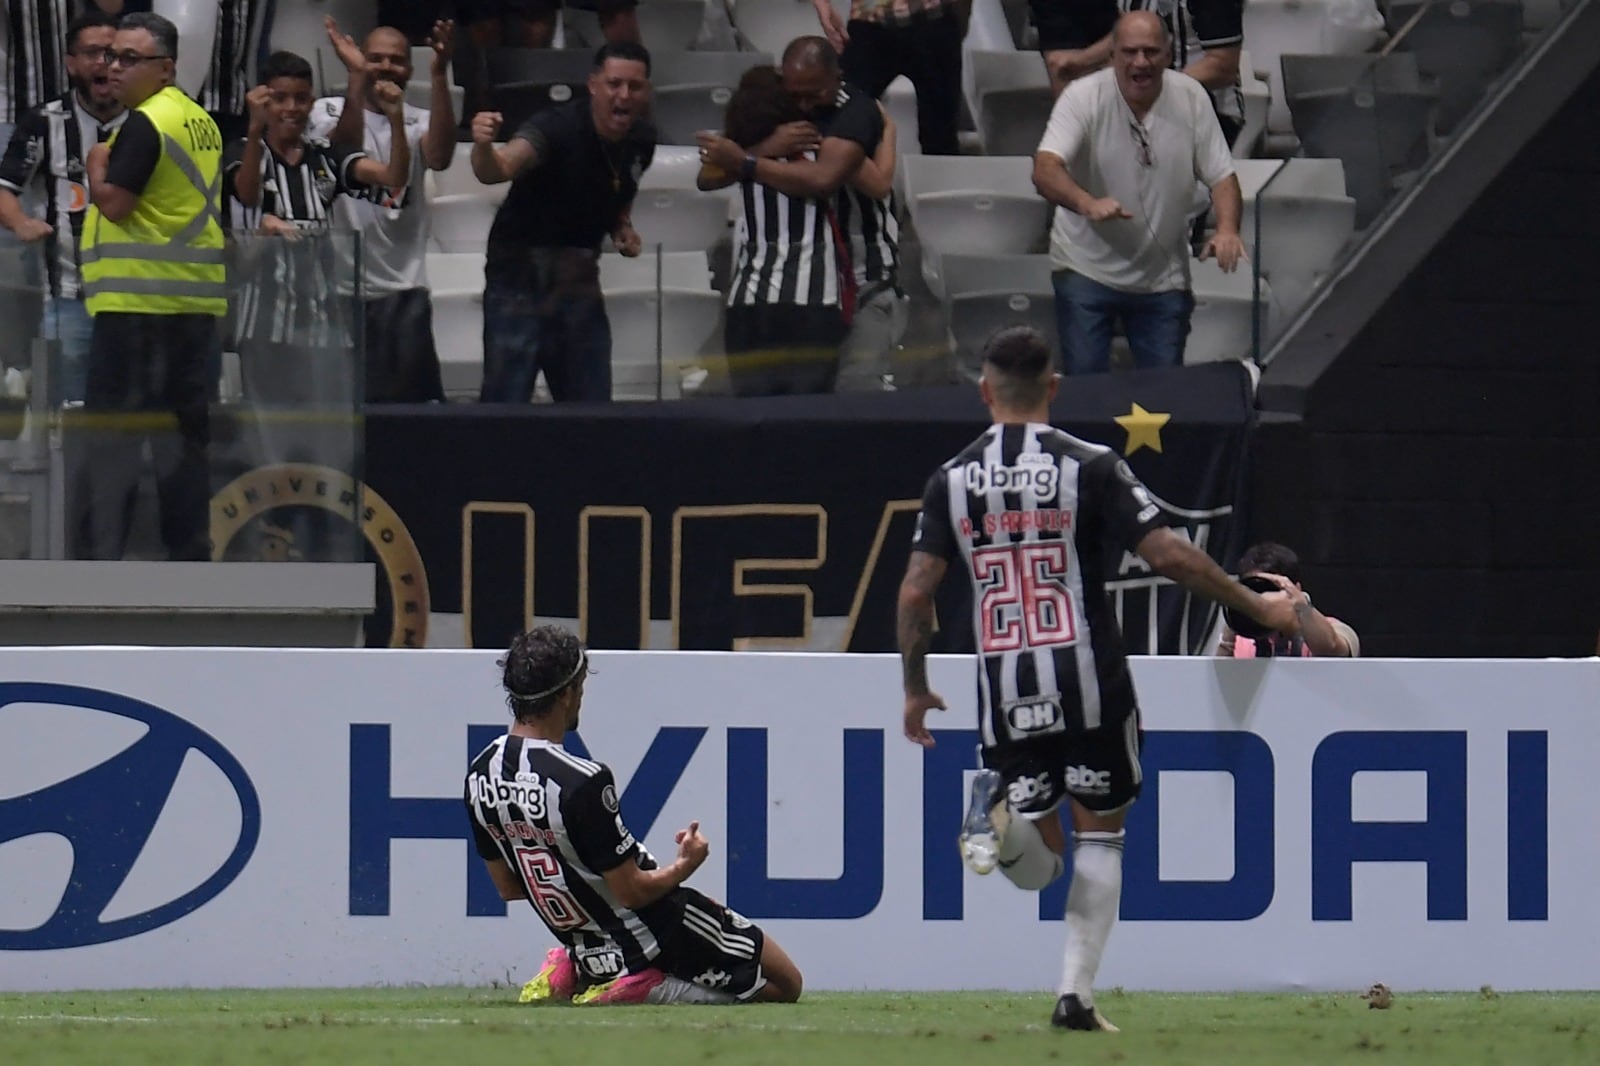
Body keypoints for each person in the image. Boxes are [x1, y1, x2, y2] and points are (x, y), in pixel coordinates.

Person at [895, 326, 1297, 1031]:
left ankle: (1005, 820)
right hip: (1089, 676)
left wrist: (915, 686)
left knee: (1039, 864)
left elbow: (915, 593)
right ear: (1054, 388)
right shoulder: (1090, 465)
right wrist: (1255, 603)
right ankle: (1075, 993)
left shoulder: (950, 481)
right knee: (1100, 839)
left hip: (1005, 688)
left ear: (985, 391)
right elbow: (1172, 555)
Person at [464, 624, 805, 1006]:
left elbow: (509, 888)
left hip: (590, 945)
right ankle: (647, 986)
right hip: (656, 929)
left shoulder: (480, 772)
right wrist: (685, 865)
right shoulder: (581, 780)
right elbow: (632, 892)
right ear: (566, 694)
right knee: (785, 983)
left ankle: (571, 966)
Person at [79, 11, 226, 561]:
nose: (113, 68)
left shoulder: (145, 124)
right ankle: (188, 561)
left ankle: (98, 566)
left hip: (136, 306)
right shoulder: (199, 119)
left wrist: (97, 166)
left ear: (165, 68)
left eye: (129, 59)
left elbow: (115, 205)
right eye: (111, 56)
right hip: (191, 306)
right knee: (185, 448)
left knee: (112, 444)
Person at [1032, 11, 1242, 376]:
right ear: (1111, 54)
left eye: (1151, 52)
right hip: (1085, 269)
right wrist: (1087, 203)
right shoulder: (1082, 97)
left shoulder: (1191, 97)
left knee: (1163, 398)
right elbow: (1045, 169)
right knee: (1086, 396)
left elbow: (1222, 177)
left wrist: (1227, 229)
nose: (1140, 62)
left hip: (1163, 278)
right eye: (1129, 52)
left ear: (1168, 53)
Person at [468, 40, 655, 404]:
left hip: (578, 274)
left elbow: (619, 191)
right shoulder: (555, 127)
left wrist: (621, 226)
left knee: (590, 405)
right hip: (520, 272)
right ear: (593, 85)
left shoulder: (642, 140)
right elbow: (498, 169)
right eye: (615, 84)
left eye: (635, 86)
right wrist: (482, 146)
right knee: (506, 402)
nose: (624, 95)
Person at [696, 38, 884, 397]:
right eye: (794, 94)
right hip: (769, 298)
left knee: (779, 417)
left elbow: (830, 182)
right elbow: (707, 177)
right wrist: (760, 151)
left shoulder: (828, 132)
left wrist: (748, 161)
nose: (804, 104)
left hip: (799, 299)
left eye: (812, 94)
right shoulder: (757, 139)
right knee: (791, 419)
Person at [225, 50, 411, 407]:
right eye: (280, 98)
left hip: (322, 322)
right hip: (263, 324)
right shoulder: (244, 150)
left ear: (313, 102)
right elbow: (247, 194)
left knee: (320, 425)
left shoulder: (326, 154)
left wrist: (397, 120)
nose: (291, 108)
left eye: (301, 98)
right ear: (263, 99)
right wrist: (252, 127)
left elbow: (394, 178)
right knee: (270, 431)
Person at [312, 17, 457, 404]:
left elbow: (441, 157)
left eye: (396, 60)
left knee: (410, 416)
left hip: (404, 290)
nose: (386, 67)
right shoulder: (327, 110)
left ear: (409, 68)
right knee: (344, 412)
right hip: (343, 288)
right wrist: (357, 77)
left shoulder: (420, 120)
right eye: (375, 58)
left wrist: (440, 75)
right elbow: (344, 150)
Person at [0, 9, 125, 406]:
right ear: (71, 64)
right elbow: (3, 188)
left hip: (138, 302)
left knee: (135, 415)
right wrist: (20, 221)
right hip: (70, 295)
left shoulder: (151, 120)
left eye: (113, 52)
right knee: (72, 413)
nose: (104, 62)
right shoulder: (43, 122)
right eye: (92, 53)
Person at [810, 0, 965, 155]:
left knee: (941, 136)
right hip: (869, 26)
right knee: (841, 123)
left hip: (935, 22)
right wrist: (822, 4)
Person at [1216, 541, 1360, 657]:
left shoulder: (1332, 629)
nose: (1263, 599)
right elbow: (1216, 685)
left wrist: (1301, 605)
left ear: (1296, 588)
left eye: (1269, 590)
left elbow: (1333, 651)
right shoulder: (1240, 639)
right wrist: (1236, 615)